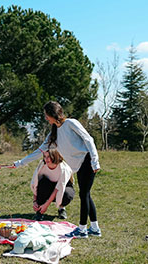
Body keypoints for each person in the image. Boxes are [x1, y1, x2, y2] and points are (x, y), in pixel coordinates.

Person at [10, 101, 101, 238]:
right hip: (78, 166)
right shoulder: (53, 134)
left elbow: (89, 139)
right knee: (86, 195)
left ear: (53, 113)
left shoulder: (71, 123)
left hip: (87, 161)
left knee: (84, 194)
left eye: (47, 115)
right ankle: (94, 228)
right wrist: (19, 163)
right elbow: (39, 151)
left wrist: (95, 160)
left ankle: (82, 230)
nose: (46, 118)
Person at [31, 148, 75, 221]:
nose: (46, 159)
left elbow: (58, 188)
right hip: (48, 185)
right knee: (42, 183)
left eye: (49, 157)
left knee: (67, 194)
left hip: (63, 187)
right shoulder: (42, 166)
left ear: (54, 156)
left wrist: (46, 205)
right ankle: (40, 211)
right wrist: (35, 201)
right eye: (45, 156)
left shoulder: (64, 169)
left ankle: (61, 208)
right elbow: (35, 183)